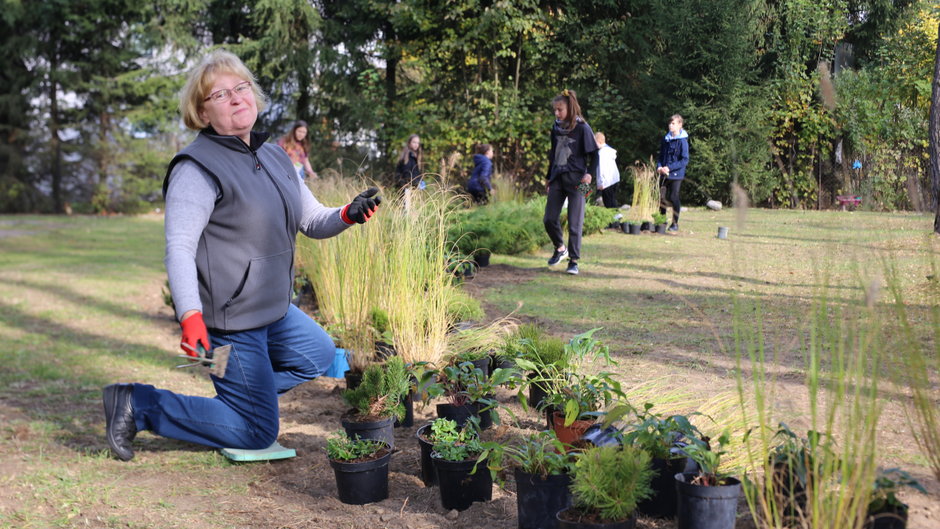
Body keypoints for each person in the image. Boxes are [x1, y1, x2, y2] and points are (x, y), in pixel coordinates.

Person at [101, 49, 382, 461]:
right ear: (202, 111)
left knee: (318, 355)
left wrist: (347, 214)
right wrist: (190, 316)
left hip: (273, 310)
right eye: (221, 94)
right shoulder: (196, 168)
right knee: (256, 430)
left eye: (241, 87)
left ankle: (242, 394)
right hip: (227, 325)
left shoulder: (274, 156)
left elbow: (311, 219)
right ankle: (137, 403)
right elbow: (178, 247)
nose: (236, 98)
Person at [543, 89, 599, 276]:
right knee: (549, 219)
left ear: (570, 108)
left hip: (580, 180)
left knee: (575, 222)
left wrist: (590, 175)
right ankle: (560, 248)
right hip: (557, 178)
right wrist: (548, 177)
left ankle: (573, 261)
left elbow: (595, 155)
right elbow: (553, 154)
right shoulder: (555, 127)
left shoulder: (583, 128)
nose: (557, 113)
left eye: (560, 110)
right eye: (555, 110)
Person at [657, 114, 689, 232]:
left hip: (676, 174)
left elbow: (685, 160)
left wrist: (669, 168)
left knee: (673, 196)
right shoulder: (666, 139)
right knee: (661, 198)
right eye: (670, 123)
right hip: (664, 173)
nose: (670, 125)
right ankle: (661, 222)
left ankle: (675, 223)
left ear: (680, 125)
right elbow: (660, 156)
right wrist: (659, 167)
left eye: (673, 123)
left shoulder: (683, 141)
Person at [594, 132, 620, 208]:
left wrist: (601, 183)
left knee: (608, 202)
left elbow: (602, 169)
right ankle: (616, 215)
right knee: (612, 200)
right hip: (614, 180)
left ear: (599, 142)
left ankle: (615, 217)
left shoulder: (602, 153)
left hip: (606, 182)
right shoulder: (609, 151)